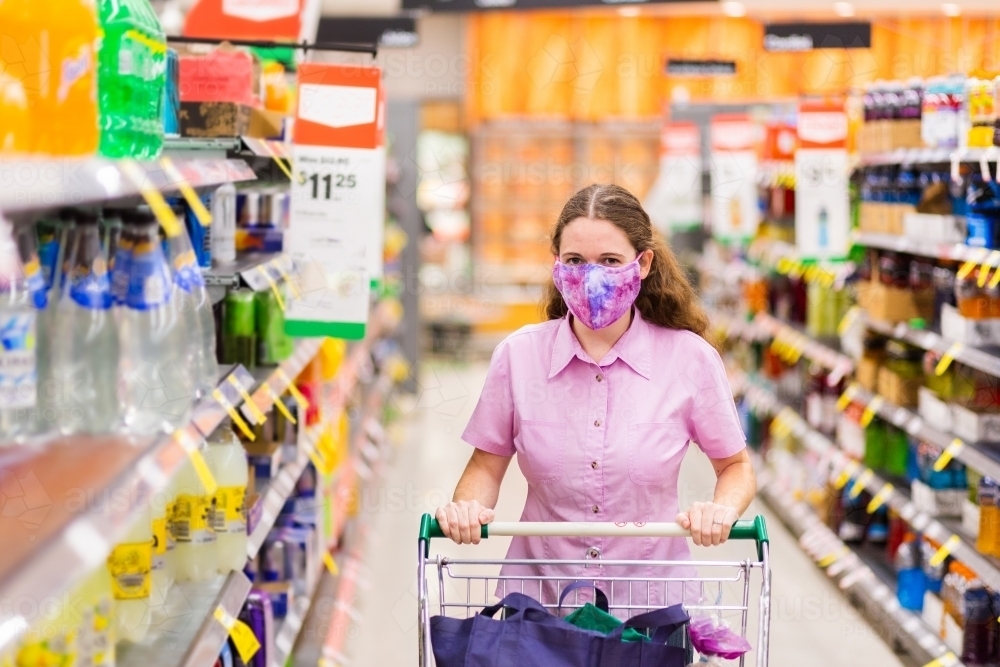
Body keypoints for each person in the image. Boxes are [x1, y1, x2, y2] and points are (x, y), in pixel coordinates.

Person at [434, 183, 755, 610]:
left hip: (650, 611)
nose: (591, 277)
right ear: (555, 265)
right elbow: (485, 467)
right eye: (575, 261)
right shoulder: (519, 356)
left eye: (609, 261)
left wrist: (721, 510)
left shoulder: (689, 359)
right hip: (542, 608)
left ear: (643, 264)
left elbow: (735, 466)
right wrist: (466, 508)